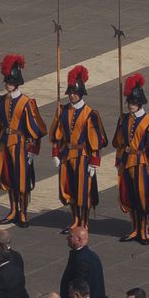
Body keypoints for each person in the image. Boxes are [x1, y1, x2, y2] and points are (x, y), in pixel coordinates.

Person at [0, 55, 46, 226]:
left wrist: (32, 151)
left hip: (21, 145)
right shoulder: (0, 100)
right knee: (8, 178)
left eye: (11, 82)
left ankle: (22, 212)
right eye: (7, 81)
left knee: (21, 181)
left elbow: (36, 130)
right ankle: (13, 209)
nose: (8, 84)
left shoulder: (27, 102)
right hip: (4, 143)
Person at [113, 74, 149, 245]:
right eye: (129, 102)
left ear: (140, 103)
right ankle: (135, 228)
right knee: (130, 197)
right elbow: (118, 142)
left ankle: (144, 230)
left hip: (143, 164)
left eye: (134, 103)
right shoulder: (124, 119)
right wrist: (119, 160)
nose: (131, 105)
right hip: (127, 162)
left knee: (143, 199)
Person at [50, 66, 105, 228]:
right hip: (67, 154)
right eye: (70, 92)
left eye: (74, 92)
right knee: (70, 190)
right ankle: (75, 220)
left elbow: (96, 140)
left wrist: (94, 162)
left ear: (80, 93)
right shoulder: (63, 110)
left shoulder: (90, 113)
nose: (71, 95)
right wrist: (55, 153)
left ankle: (84, 221)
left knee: (84, 192)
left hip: (83, 156)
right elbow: (56, 134)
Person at [59, 223, 104, 298]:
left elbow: (79, 287)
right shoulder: (92, 255)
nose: (67, 238)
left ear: (78, 239)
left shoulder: (80, 260)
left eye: (70, 236)